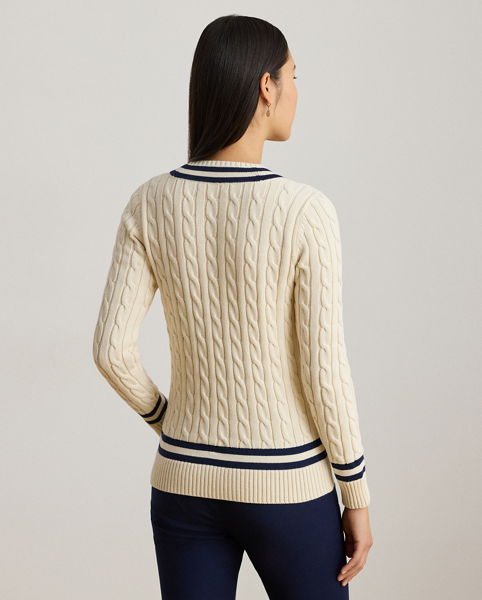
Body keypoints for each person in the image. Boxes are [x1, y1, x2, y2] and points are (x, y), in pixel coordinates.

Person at [92, 13, 373, 600]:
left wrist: (171, 424)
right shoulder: (305, 211)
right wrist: (356, 495)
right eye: (294, 75)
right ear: (267, 86)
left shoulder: (150, 202)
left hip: (183, 484)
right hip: (288, 489)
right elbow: (324, 371)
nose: (297, 91)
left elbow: (111, 352)